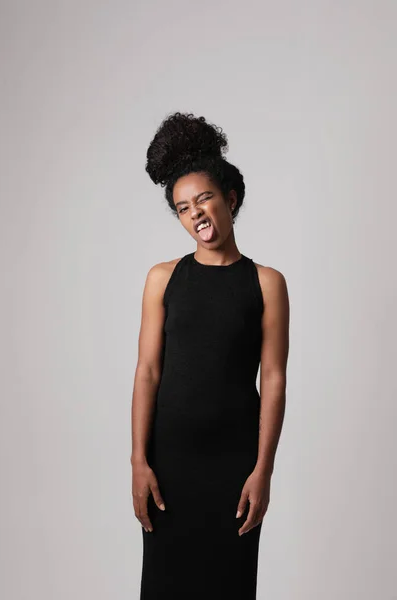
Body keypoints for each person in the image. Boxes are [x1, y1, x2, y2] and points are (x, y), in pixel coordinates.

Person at [131, 112, 289, 600]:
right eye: (182, 207)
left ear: (230, 199)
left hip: (234, 467)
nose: (196, 213)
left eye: (204, 199)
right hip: (169, 465)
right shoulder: (163, 277)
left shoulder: (266, 283)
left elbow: (275, 380)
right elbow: (148, 372)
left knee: (229, 587)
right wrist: (139, 460)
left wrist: (263, 471)